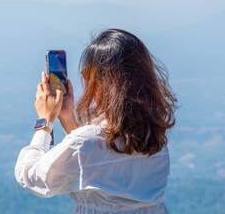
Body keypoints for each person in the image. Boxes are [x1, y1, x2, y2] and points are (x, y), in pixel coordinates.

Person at [14, 29, 177, 214]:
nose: (85, 81)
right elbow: (92, 164)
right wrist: (68, 120)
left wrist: (45, 122)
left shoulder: (87, 142)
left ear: (104, 81)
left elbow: (31, 176)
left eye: (86, 74)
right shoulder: (155, 138)